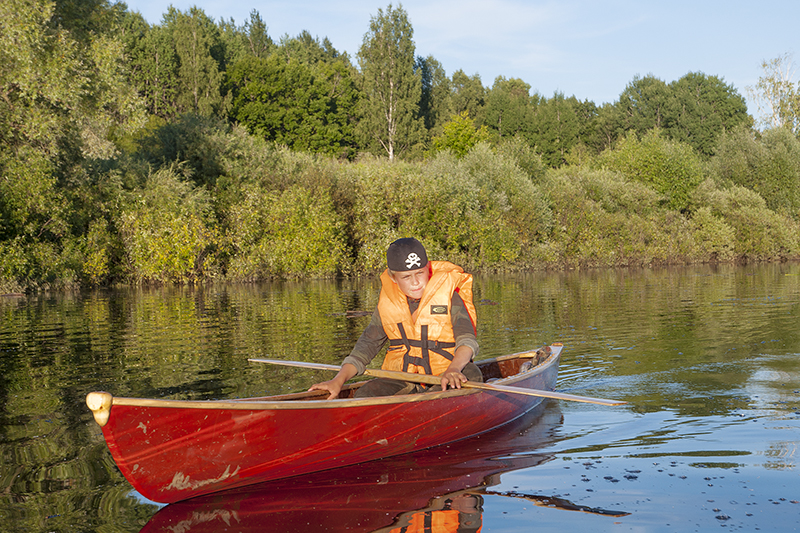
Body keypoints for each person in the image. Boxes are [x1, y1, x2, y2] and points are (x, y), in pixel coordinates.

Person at [310, 237, 481, 399]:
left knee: (471, 374)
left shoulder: (450, 297)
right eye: (406, 277)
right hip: (405, 378)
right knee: (364, 394)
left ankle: (433, 407)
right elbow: (366, 347)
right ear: (393, 278)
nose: (416, 282)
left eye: (420, 273)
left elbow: (467, 342)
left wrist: (454, 369)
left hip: (448, 372)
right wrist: (338, 380)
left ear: (428, 269)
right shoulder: (388, 304)